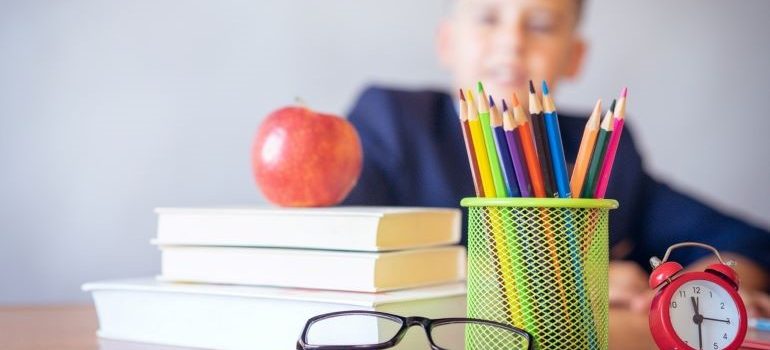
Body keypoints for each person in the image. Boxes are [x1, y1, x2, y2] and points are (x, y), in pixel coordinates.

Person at [342, 0, 770, 317]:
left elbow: (747, 243)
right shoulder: (392, 121)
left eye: (542, 26)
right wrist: (563, 286)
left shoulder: (603, 148)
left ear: (575, 57)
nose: (512, 40)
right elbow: (344, 256)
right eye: (489, 18)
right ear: (447, 42)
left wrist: (699, 292)